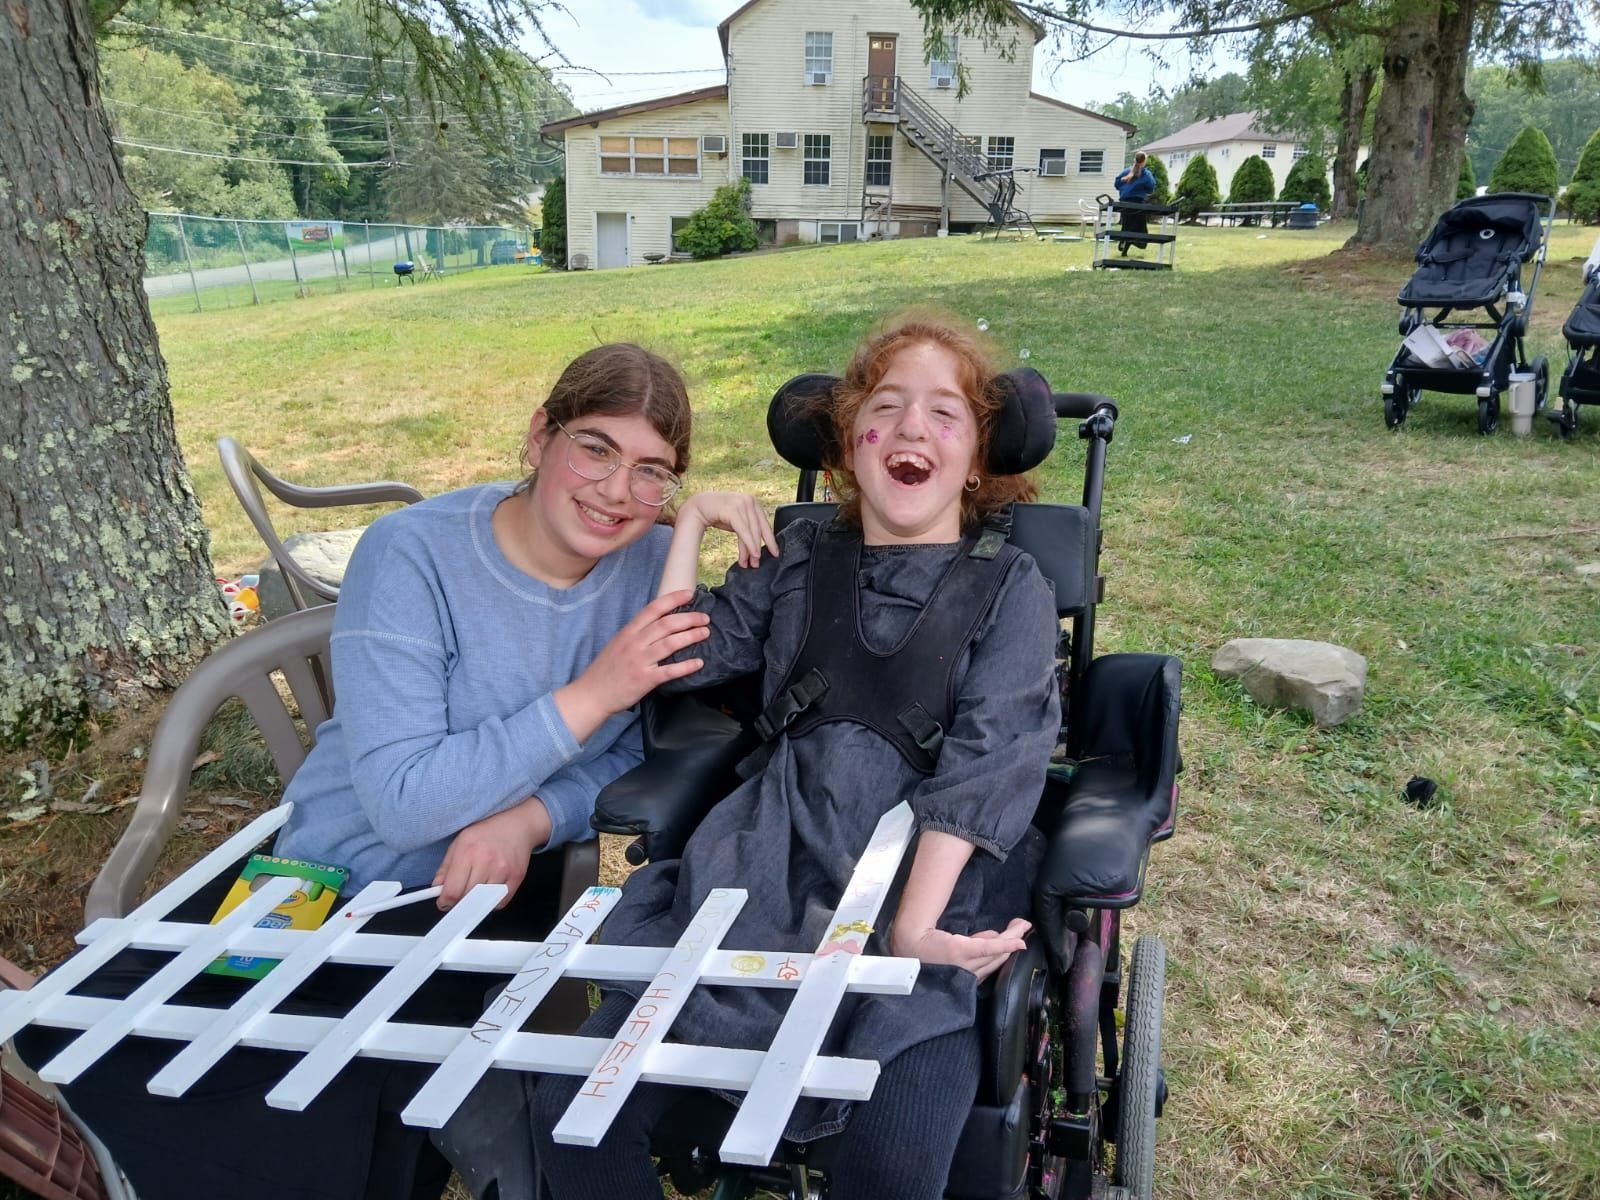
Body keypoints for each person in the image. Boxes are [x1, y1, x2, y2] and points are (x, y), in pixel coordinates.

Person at [15, 342, 742, 1200]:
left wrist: (530, 819)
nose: (617, 492)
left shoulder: (648, 569)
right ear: (540, 435)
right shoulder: (412, 553)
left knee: (342, 1104)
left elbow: (636, 748)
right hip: (334, 874)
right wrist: (592, 692)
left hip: (489, 893)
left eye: (652, 472)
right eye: (595, 448)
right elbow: (404, 805)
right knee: (160, 1055)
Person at [530, 314, 1062, 1200]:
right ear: (849, 447)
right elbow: (672, 658)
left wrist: (914, 932)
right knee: (568, 1113)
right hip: (761, 862)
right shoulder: (798, 559)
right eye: (884, 408)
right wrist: (691, 521)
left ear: (977, 459)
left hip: (930, 875)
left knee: (892, 1165)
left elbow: (990, 757)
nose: (911, 427)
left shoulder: (1011, 586)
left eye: (944, 413)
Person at [1114, 151, 1157, 254]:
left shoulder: (1125, 172)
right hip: (1137, 203)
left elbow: (1117, 184)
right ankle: (1128, 243)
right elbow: (1151, 187)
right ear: (1144, 161)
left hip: (1124, 203)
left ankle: (1123, 241)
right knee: (1138, 228)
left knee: (1127, 224)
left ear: (1135, 159)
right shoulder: (1146, 174)